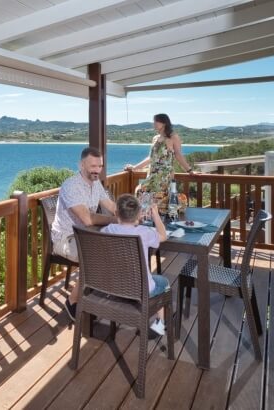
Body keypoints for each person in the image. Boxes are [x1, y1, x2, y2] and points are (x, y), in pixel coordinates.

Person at [51, 147, 117, 319]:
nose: (97, 170)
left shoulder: (96, 185)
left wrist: (129, 214)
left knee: (116, 249)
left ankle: (96, 296)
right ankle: (72, 301)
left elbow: (111, 206)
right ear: (81, 165)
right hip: (67, 237)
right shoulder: (70, 185)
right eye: (93, 166)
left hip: (87, 235)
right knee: (96, 257)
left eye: (100, 166)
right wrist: (115, 220)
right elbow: (87, 219)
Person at [102, 194, 169, 335]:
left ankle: (160, 322)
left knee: (154, 281)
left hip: (115, 286)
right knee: (164, 282)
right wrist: (155, 215)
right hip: (140, 289)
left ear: (116, 213)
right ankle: (161, 323)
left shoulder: (108, 230)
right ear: (139, 214)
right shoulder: (144, 232)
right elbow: (163, 236)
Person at [129, 113, 194, 194]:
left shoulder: (173, 137)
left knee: (153, 195)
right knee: (142, 192)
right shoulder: (155, 138)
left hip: (164, 174)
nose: (154, 124)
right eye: (154, 121)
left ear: (164, 123)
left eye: (156, 121)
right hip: (152, 172)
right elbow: (151, 158)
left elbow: (178, 155)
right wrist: (135, 167)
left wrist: (189, 170)